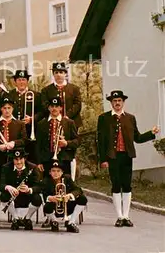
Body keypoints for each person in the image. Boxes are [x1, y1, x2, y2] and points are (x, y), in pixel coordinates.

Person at [97, 90, 160, 227]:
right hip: (112, 156)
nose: (117, 103)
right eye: (114, 101)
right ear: (111, 103)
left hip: (126, 156)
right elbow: (100, 141)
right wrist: (103, 159)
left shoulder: (130, 118)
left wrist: (151, 133)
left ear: (123, 102)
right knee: (116, 184)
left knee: (126, 185)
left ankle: (126, 216)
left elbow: (137, 138)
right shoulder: (104, 118)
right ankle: (119, 216)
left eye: (119, 100)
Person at [0, 97, 26, 189]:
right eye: (4, 108)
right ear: (1, 109)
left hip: (14, 158)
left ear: (12, 109)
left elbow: (24, 140)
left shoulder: (20, 124)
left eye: (9, 108)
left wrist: (14, 143)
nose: (7, 110)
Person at [0, 149, 42, 230]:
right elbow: (1, 185)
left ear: (24, 159)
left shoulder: (32, 167)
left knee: (37, 199)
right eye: (16, 159)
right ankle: (15, 219)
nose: (18, 162)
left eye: (21, 159)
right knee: (3, 196)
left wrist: (29, 189)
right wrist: (8, 187)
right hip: (13, 195)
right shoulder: (6, 167)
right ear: (13, 159)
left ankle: (27, 218)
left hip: (27, 195)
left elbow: (39, 186)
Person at [7, 69, 43, 163]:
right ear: (15, 82)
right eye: (19, 80)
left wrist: (32, 119)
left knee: (31, 158)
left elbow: (42, 112)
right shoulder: (9, 95)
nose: (21, 82)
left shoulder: (36, 95)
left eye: (23, 79)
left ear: (27, 81)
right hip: (13, 132)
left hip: (30, 131)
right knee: (14, 158)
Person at [36, 97, 79, 175]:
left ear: (61, 108)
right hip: (47, 160)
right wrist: (39, 162)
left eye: (56, 106)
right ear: (48, 108)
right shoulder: (41, 124)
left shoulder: (69, 123)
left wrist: (66, 143)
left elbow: (77, 141)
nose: (54, 109)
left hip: (64, 159)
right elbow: (38, 145)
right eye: (52, 106)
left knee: (64, 184)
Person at [42, 160, 87, 233]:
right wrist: (51, 198)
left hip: (67, 207)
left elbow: (78, 190)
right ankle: (54, 221)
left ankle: (71, 222)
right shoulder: (46, 181)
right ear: (50, 172)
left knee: (83, 199)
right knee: (46, 207)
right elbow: (43, 195)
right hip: (54, 208)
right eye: (53, 171)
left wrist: (69, 195)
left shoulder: (67, 178)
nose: (56, 173)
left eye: (58, 171)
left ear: (62, 172)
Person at [40, 62, 82, 128]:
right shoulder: (46, 90)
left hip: (72, 122)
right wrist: (56, 116)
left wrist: (67, 115)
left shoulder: (74, 89)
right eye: (56, 72)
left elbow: (77, 105)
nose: (58, 75)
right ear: (53, 74)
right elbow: (45, 105)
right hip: (53, 122)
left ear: (65, 74)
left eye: (61, 72)